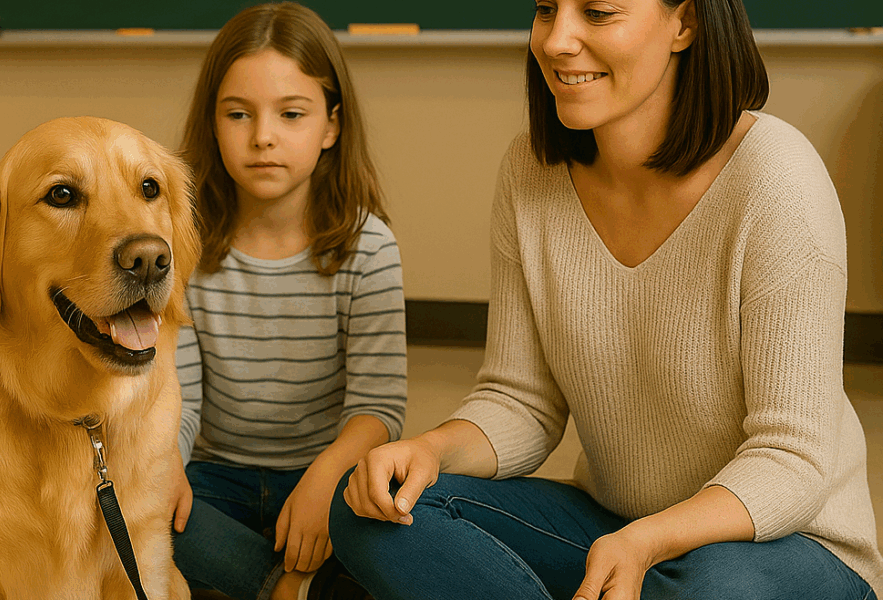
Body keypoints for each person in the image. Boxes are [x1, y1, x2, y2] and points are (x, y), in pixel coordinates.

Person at [330, 0, 883, 598]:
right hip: (617, 529)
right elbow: (522, 400)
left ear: (686, 23)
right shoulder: (530, 169)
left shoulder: (777, 177)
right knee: (372, 507)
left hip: (784, 548)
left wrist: (649, 541)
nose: (557, 41)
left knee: (707, 588)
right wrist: (429, 449)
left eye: (597, 13)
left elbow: (792, 459)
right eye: (547, 10)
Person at [169, 4, 407, 599]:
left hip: (323, 472)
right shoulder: (185, 245)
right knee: (133, 504)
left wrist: (326, 477)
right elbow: (181, 399)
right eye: (238, 114)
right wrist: (165, 466)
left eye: (291, 114)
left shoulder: (368, 246)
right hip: (216, 477)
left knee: (397, 520)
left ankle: (268, 577)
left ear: (330, 126)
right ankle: (285, 586)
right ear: (212, 122)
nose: (263, 137)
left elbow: (377, 407)